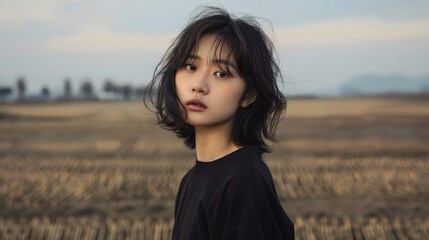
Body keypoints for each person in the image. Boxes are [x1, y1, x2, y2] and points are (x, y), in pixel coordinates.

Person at [144, 6, 294, 240]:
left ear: (249, 94)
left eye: (221, 73)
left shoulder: (244, 182)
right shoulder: (191, 181)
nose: (199, 85)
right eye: (191, 67)